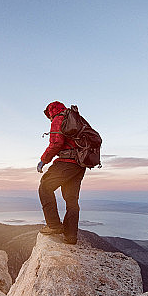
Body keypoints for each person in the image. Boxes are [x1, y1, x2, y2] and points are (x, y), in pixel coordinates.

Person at [37, 100, 86, 245]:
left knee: (45, 186)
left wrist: (43, 160)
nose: (49, 119)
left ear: (51, 112)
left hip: (67, 161)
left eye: (49, 116)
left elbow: (56, 143)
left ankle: (54, 225)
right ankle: (71, 237)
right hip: (80, 164)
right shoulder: (76, 119)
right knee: (71, 200)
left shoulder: (59, 118)